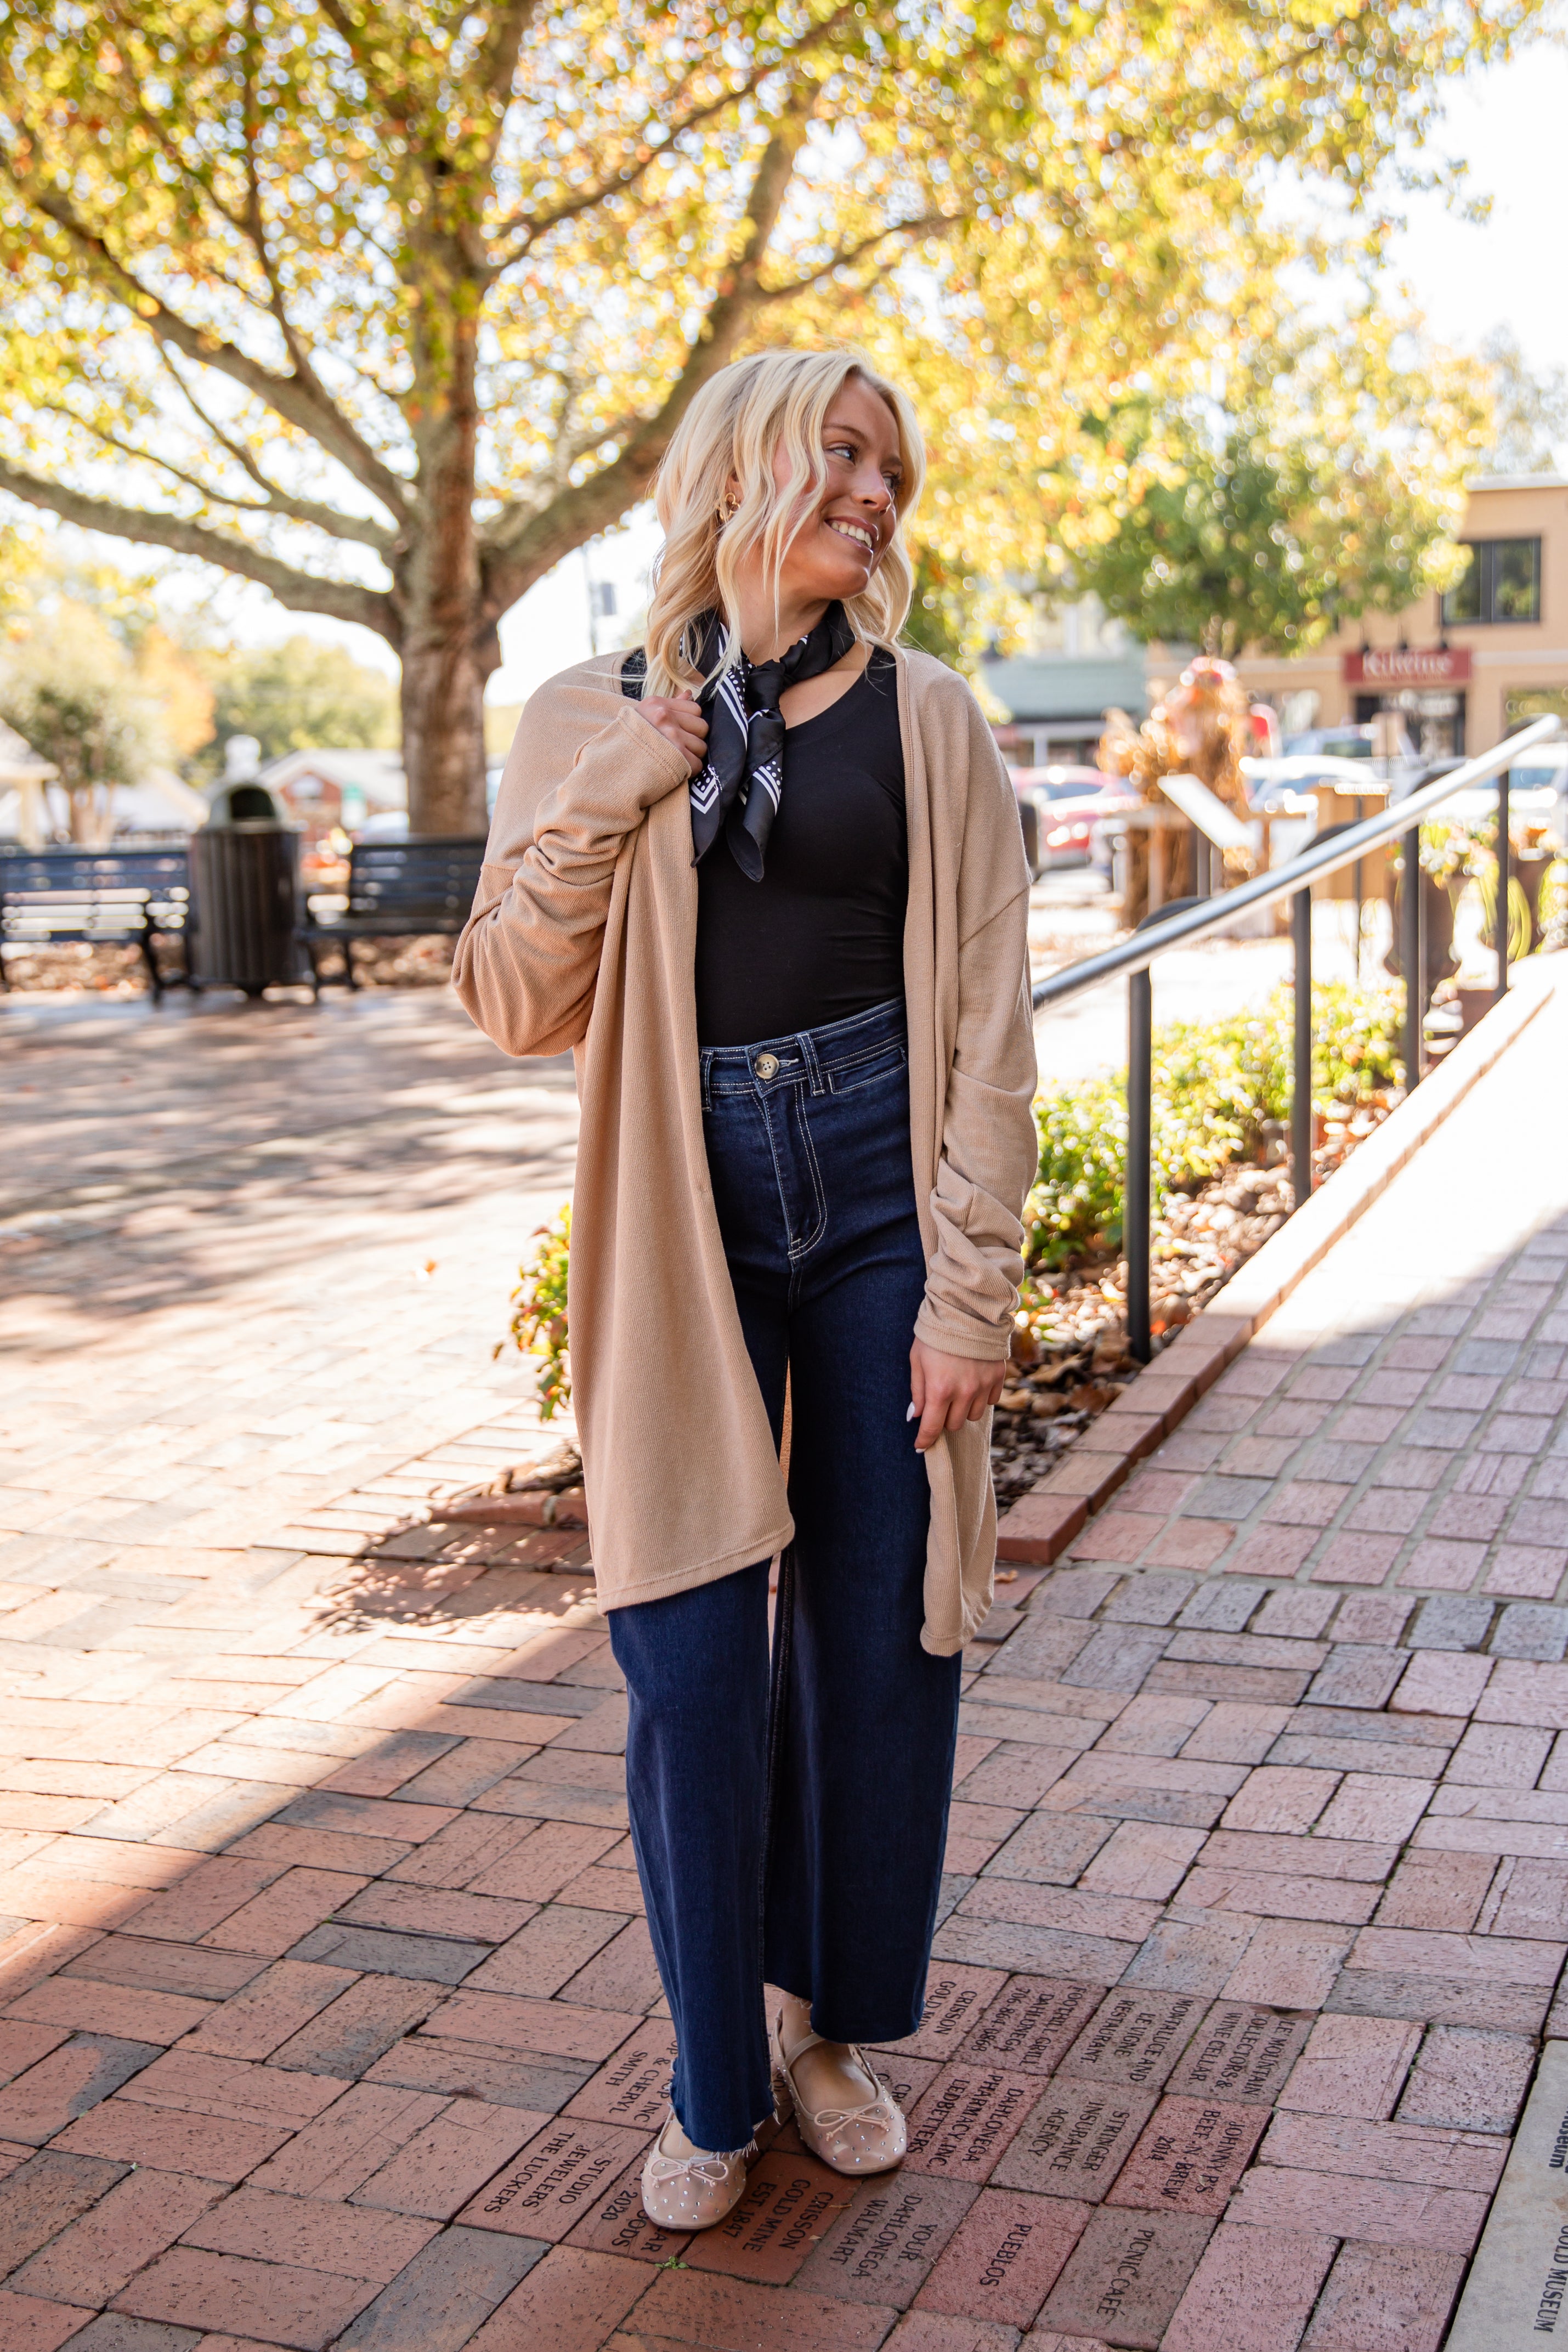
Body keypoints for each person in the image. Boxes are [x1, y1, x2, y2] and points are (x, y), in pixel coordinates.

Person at [452, 346, 1038, 2229]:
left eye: (897, 471)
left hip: (878, 1191)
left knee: (874, 1641)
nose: (877, 493)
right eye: (845, 455)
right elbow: (509, 997)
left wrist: (969, 1294)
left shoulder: (931, 718)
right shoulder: (588, 713)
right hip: (682, 1215)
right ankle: (712, 2079)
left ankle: (824, 2032)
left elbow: (993, 1036)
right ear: (749, 466)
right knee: (690, 1665)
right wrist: (619, 790)